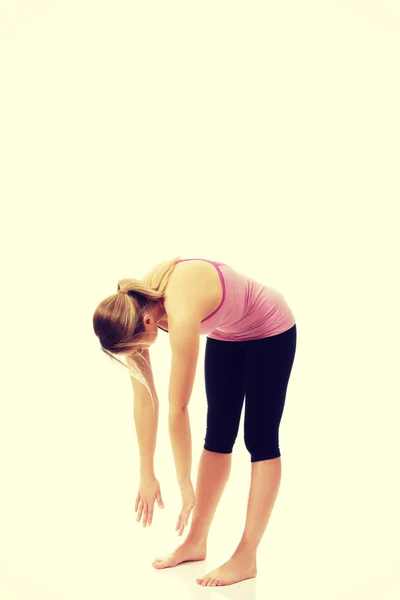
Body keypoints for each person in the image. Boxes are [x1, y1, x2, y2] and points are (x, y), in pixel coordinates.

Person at [93, 256, 297, 587]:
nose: (140, 353)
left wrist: (185, 483)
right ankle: (195, 541)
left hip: (269, 329)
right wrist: (147, 473)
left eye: (136, 349)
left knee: (259, 439)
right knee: (217, 435)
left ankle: (246, 557)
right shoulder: (134, 310)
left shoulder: (180, 306)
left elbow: (178, 407)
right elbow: (146, 400)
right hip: (228, 334)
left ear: (147, 323)